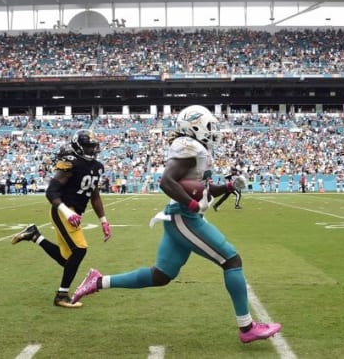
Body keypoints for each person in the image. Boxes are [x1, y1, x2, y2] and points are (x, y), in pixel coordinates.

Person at [71, 105, 281, 343]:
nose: (213, 131)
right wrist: (190, 206)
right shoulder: (187, 147)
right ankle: (247, 328)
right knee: (231, 260)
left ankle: (98, 281)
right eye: (209, 126)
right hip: (184, 217)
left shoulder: (195, 149)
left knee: (161, 275)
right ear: (194, 126)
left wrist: (229, 187)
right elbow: (167, 181)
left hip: (179, 216)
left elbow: (201, 188)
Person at [11, 129, 111, 308]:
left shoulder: (97, 166)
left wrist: (103, 220)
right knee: (80, 250)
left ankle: (35, 235)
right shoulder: (70, 164)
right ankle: (61, 295)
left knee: (68, 260)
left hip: (74, 212)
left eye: (93, 146)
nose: (92, 150)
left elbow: (94, 195)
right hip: (62, 210)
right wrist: (67, 212)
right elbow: (51, 192)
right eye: (88, 146)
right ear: (78, 146)